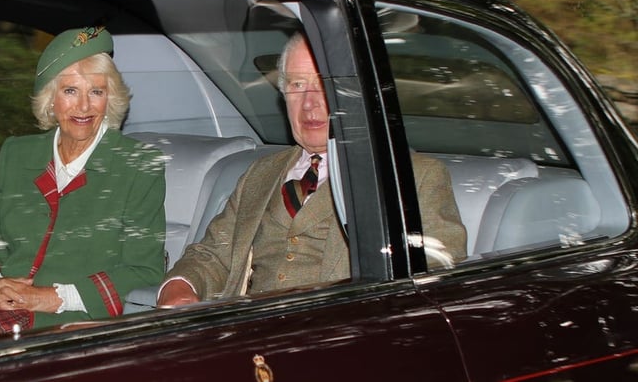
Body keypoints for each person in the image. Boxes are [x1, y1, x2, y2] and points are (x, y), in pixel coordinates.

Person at [157, 31, 465, 306]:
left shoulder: (414, 176)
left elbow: (436, 276)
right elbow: (213, 253)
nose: (309, 103)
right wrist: (179, 287)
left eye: (324, 86)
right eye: (297, 85)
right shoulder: (259, 174)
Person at [0, 26, 166, 331]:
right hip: (3, 311)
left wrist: (51, 297)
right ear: (50, 99)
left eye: (96, 91)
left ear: (110, 99)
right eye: (70, 91)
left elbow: (144, 270)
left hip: (72, 322)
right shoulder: (17, 154)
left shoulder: (138, 165)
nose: (84, 106)